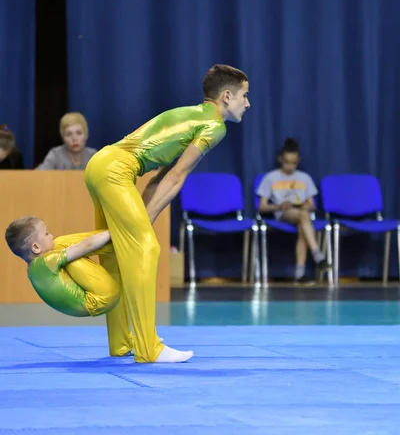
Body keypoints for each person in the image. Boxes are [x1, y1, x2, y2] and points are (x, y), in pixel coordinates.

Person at [84, 64, 250, 363]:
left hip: (100, 164)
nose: (247, 103)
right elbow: (176, 178)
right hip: (116, 171)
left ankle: (122, 343)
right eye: (244, 96)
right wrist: (144, 225)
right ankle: (150, 348)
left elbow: (158, 176)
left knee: (115, 254)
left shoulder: (190, 114)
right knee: (145, 248)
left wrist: (144, 218)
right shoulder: (214, 126)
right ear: (227, 96)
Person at [5, 217, 120, 318]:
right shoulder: (46, 262)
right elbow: (86, 245)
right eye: (46, 234)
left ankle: (113, 242)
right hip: (102, 296)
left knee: (62, 250)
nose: (51, 236)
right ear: (36, 247)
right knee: (60, 243)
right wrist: (114, 231)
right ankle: (120, 236)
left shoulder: (32, 270)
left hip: (97, 303)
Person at [257, 138, 330, 285]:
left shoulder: (305, 178)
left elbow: (312, 205)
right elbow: (262, 207)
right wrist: (278, 206)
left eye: (294, 163)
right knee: (304, 218)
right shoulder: (270, 178)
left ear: (298, 161)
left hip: (302, 213)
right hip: (283, 212)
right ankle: (317, 255)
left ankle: (300, 273)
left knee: (303, 223)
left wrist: (305, 205)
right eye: (287, 162)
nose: (290, 166)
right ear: (280, 159)